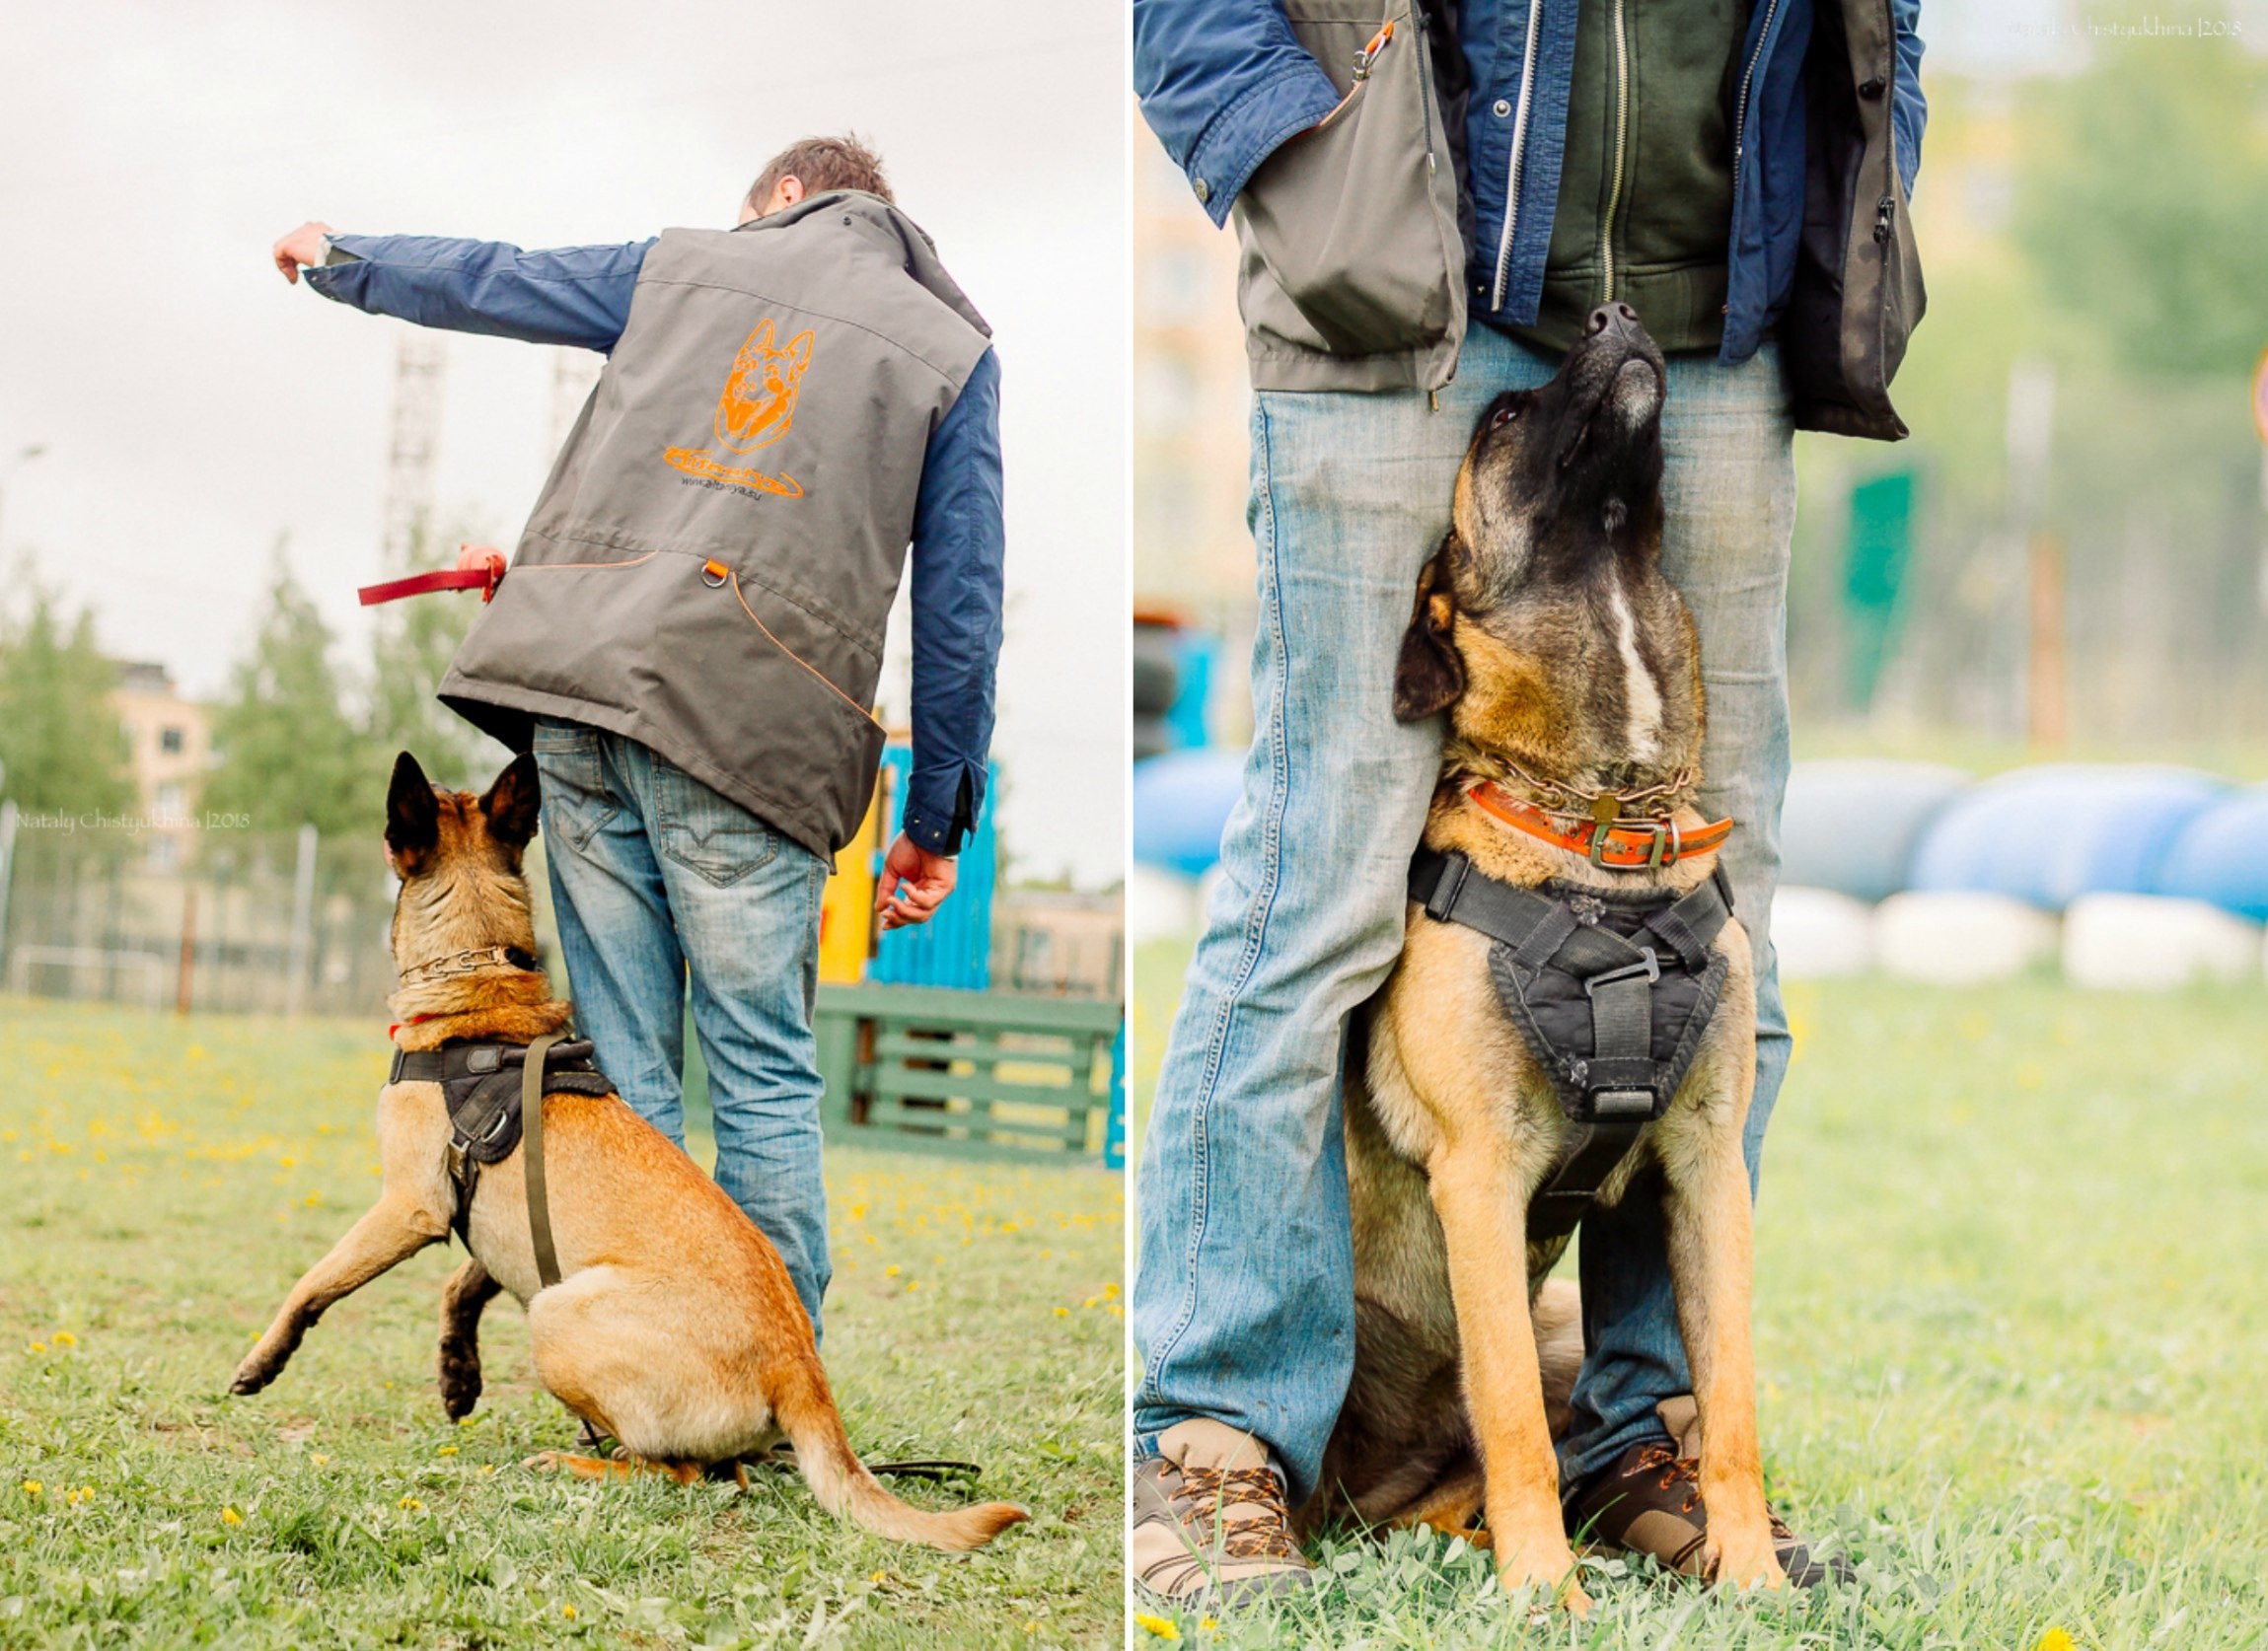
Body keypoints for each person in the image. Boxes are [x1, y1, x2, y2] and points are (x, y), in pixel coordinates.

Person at [1129, 0, 1925, 1608]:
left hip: (1712, 310)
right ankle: (1221, 1435)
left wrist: (1856, 167)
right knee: (1318, 876)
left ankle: (1645, 1439)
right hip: (1401, 278)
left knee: (1717, 903)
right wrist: (1300, 162)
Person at [271, 134, 1005, 1341]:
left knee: (623, 1065)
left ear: (781, 196)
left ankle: (653, 1357)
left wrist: (347, 257)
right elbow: (960, 602)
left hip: (584, 702)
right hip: (752, 739)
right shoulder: (950, 349)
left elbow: (497, 278)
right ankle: (769, 1376)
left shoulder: (684, 266)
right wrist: (932, 820)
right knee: (762, 1073)